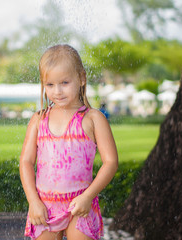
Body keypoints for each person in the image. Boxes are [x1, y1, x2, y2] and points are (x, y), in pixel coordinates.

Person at [19, 44, 118, 240]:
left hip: (80, 204)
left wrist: (88, 197)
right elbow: (26, 162)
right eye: (50, 85)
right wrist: (33, 201)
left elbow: (111, 162)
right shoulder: (39, 119)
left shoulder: (93, 119)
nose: (57, 91)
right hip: (44, 205)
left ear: (81, 78)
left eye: (64, 82)